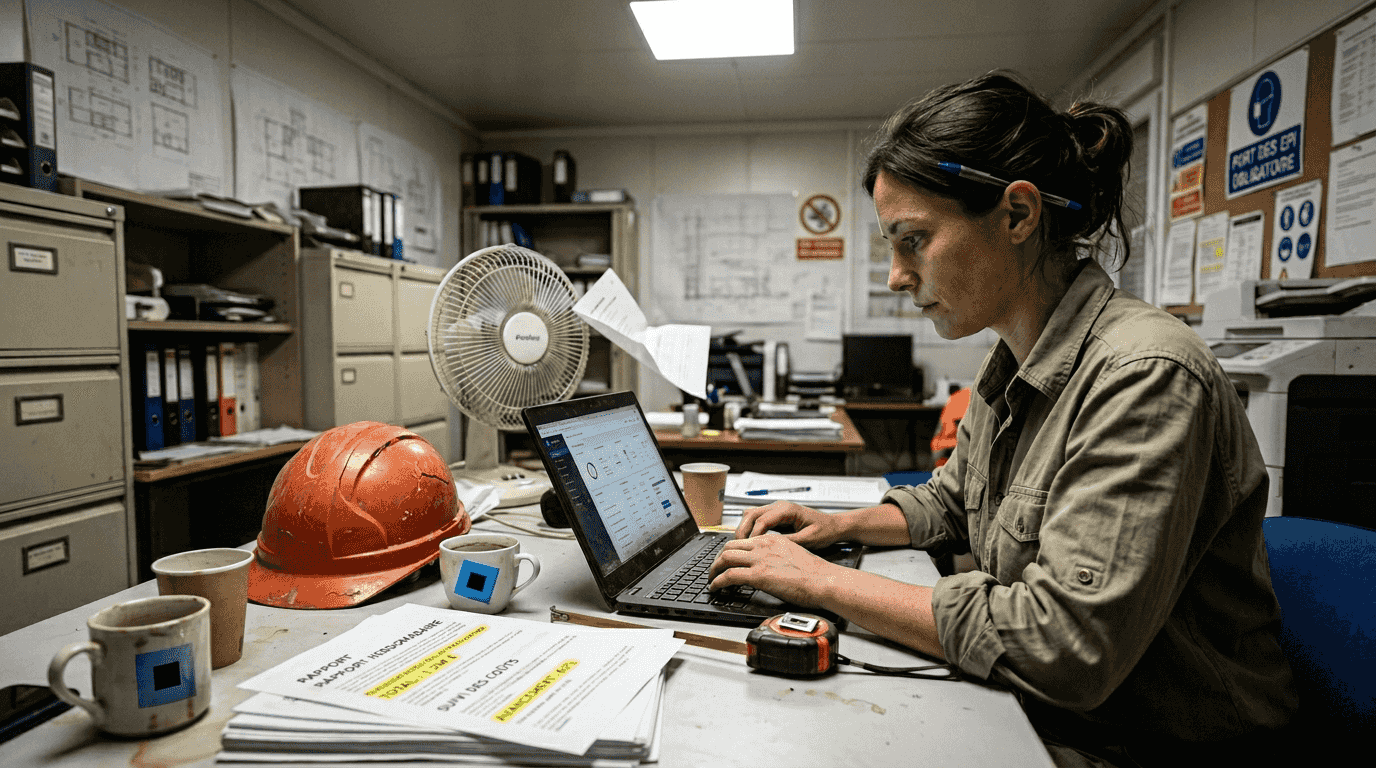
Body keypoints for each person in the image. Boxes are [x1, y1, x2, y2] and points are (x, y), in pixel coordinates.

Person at [707, 72, 1296, 767]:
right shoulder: (1017, 357)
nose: (896, 275)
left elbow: (1065, 645)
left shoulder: (1145, 376)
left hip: (1146, 744)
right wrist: (838, 528)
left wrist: (819, 581)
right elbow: (953, 499)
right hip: (1059, 716)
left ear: (1017, 216)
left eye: (913, 239)